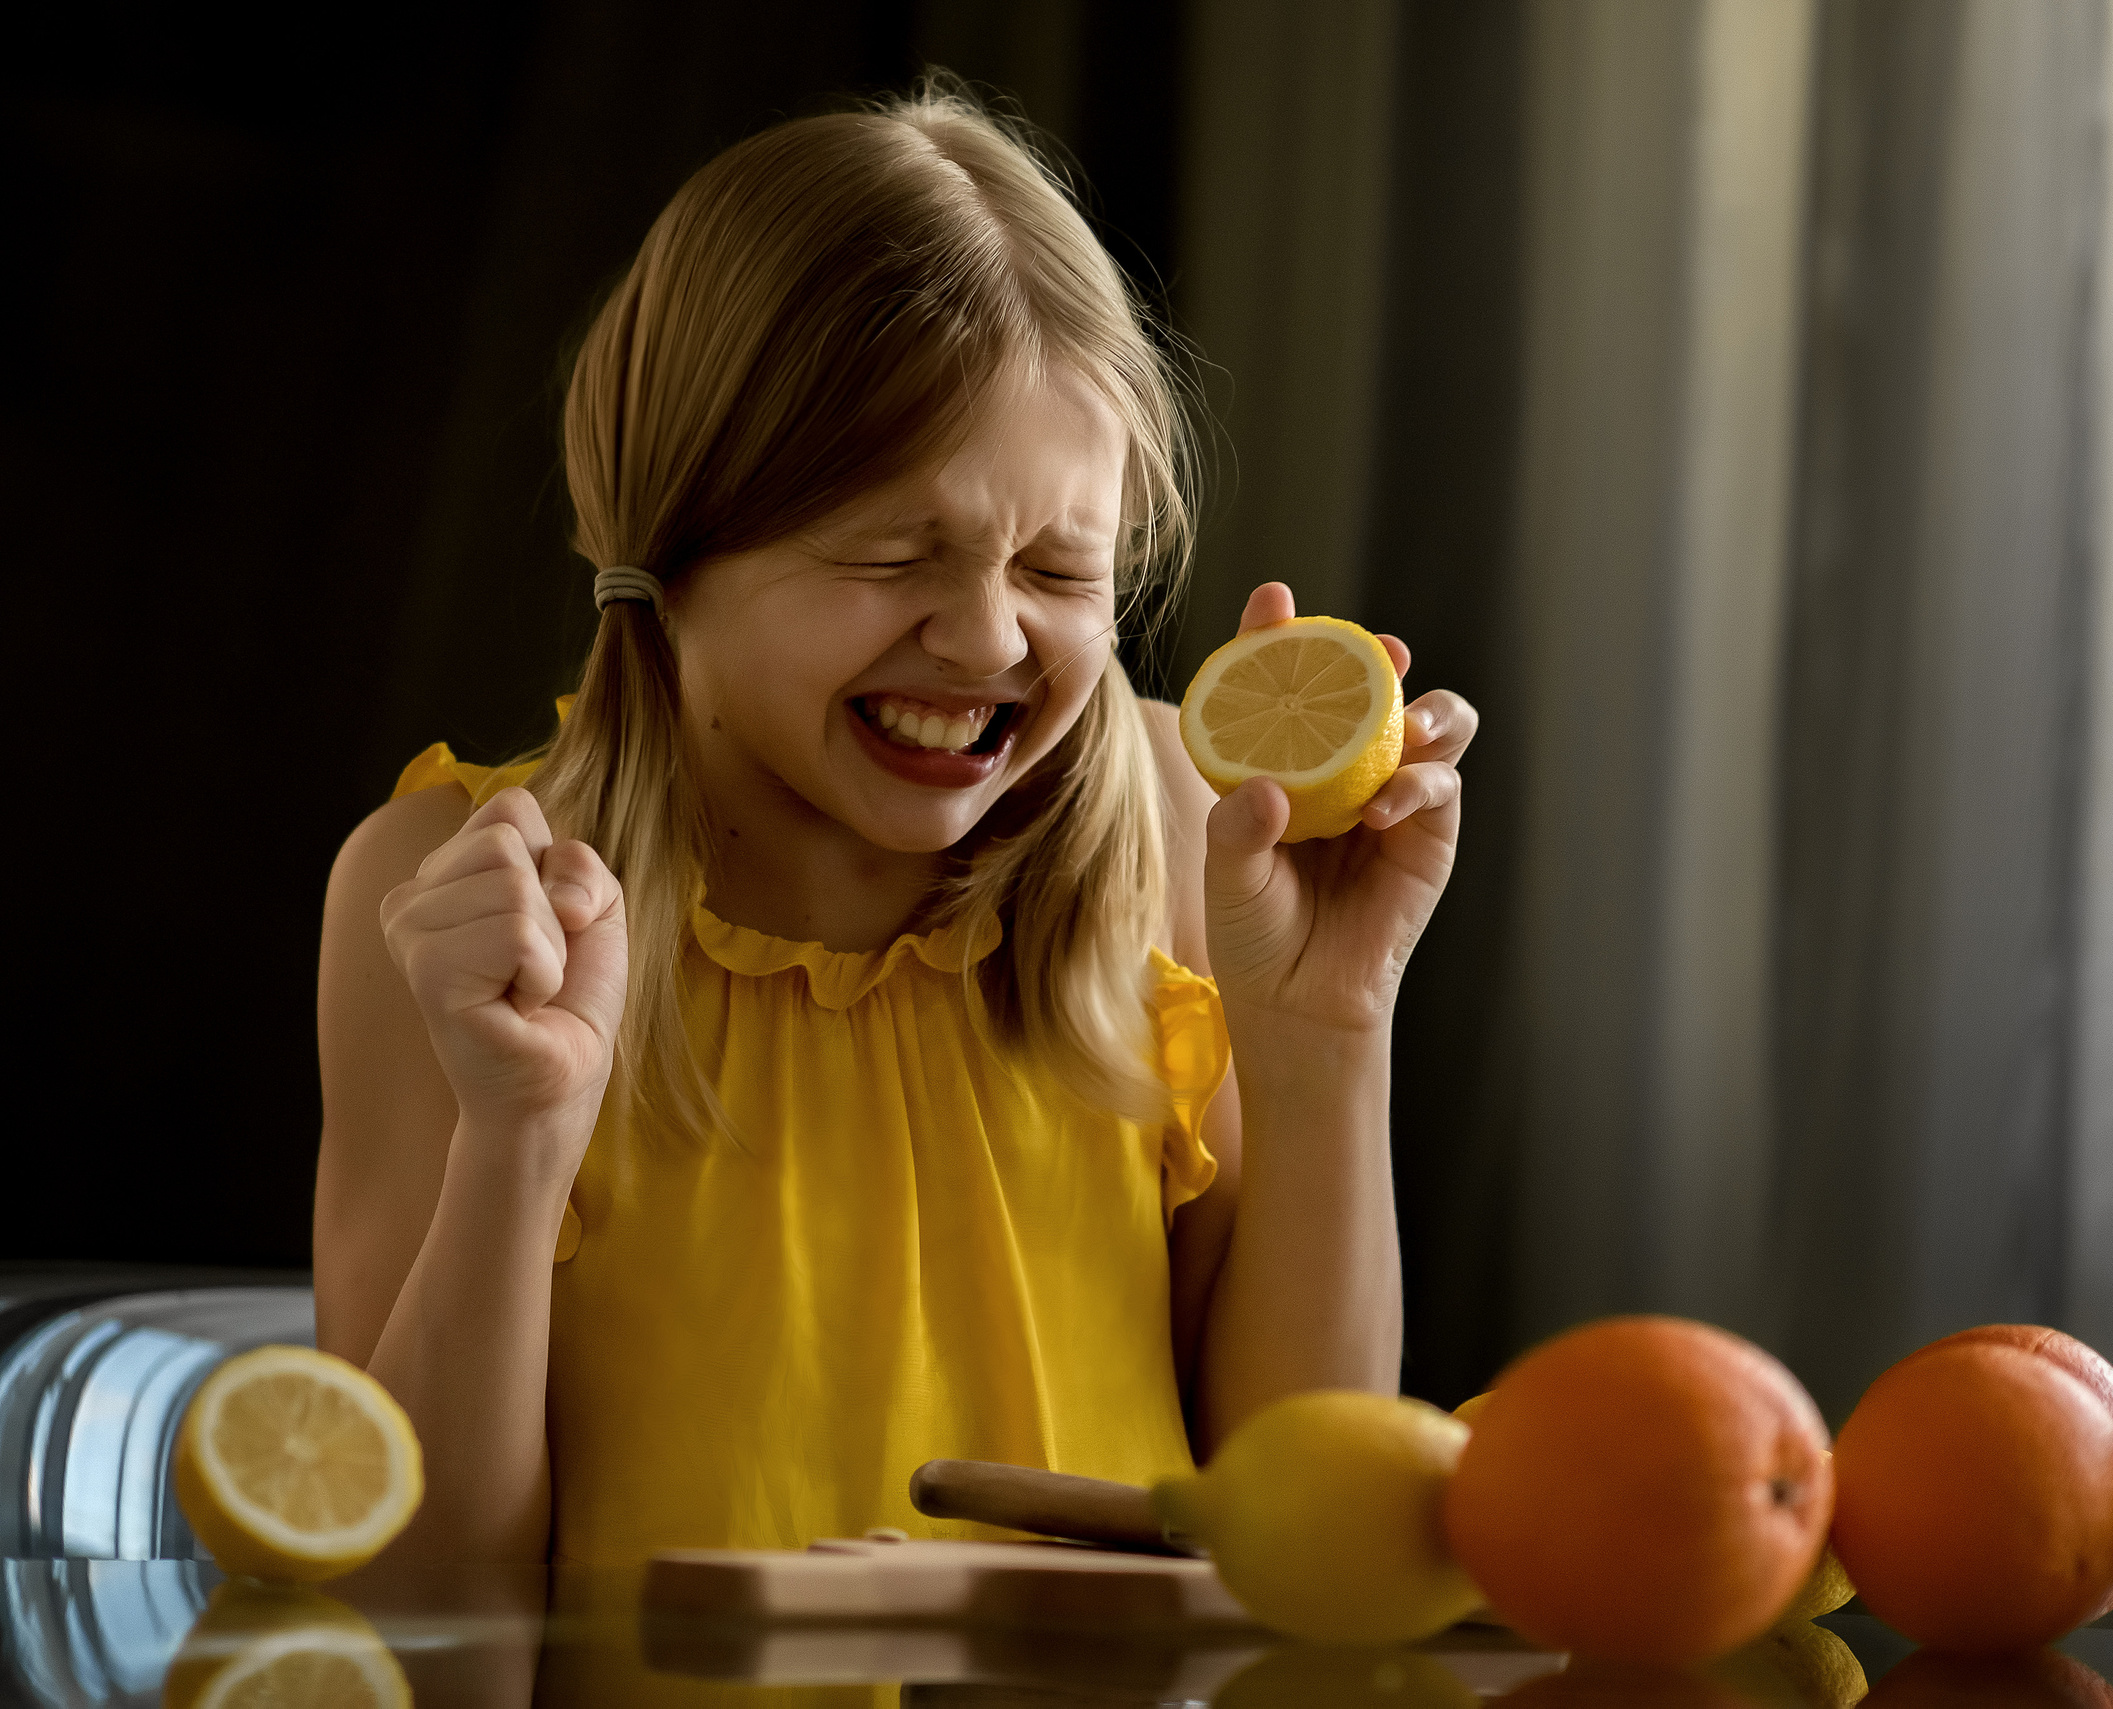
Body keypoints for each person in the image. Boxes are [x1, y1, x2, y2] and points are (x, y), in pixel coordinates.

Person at [310, 86, 1474, 1567]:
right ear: (672, 546)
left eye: (1062, 571)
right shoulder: (450, 905)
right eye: (890, 553)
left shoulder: (1196, 827)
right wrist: (518, 1136)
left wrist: (1329, 1037)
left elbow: (1295, 1526)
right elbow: (425, 1613)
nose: (989, 638)